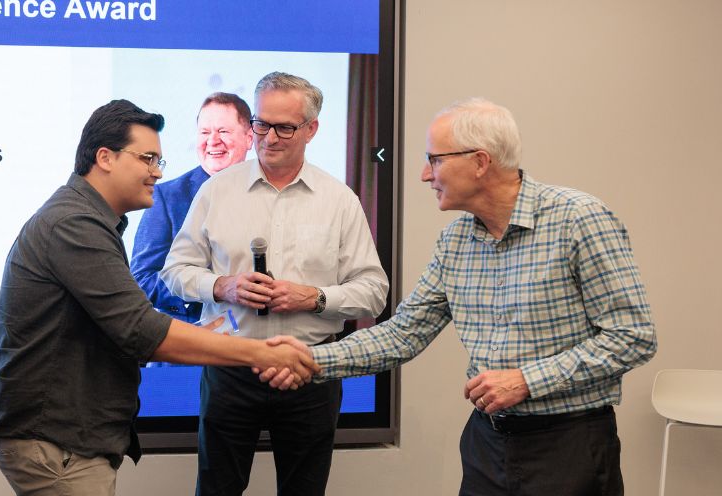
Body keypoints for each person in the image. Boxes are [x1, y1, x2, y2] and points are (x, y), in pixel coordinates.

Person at [264, 97, 658, 495]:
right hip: (486, 445)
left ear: (480, 162)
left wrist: (527, 381)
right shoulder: (455, 241)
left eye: (434, 160)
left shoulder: (579, 219)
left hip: (569, 445)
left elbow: (632, 336)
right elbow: (403, 334)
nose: (424, 175)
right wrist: (310, 358)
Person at [0, 99, 318, 496]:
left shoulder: (88, 220)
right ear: (105, 158)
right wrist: (261, 352)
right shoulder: (74, 224)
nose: (157, 172)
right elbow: (140, 328)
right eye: (147, 159)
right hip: (58, 441)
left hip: (70, 439)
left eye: (159, 160)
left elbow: (118, 323)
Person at [161, 72, 389, 496]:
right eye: (261, 124)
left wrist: (315, 298)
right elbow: (174, 271)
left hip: (310, 369)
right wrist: (223, 286)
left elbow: (374, 290)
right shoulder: (216, 191)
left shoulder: (339, 200)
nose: (269, 137)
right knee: (216, 489)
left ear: (311, 129)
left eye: (284, 127)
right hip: (231, 366)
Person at [131, 92, 253, 323]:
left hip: (261, 334)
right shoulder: (167, 197)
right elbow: (141, 279)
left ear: (249, 138)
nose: (213, 141)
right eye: (205, 132)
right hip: (192, 335)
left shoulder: (269, 193)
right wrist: (212, 288)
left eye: (223, 131)